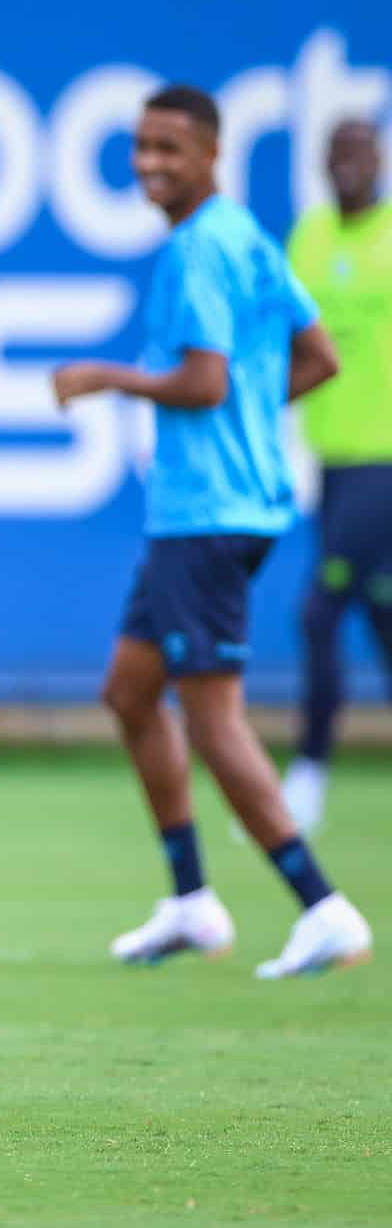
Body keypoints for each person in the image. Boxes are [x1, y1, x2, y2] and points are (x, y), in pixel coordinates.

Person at [51, 84, 369, 978]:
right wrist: (250, 428)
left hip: (209, 515)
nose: (151, 163)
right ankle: (191, 899)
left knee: (214, 716)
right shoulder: (247, 235)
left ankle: (323, 906)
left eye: (170, 148)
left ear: (212, 154)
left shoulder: (199, 251)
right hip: (219, 507)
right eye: (141, 147)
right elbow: (319, 356)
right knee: (129, 690)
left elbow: (205, 382)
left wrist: (106, 377)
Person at [280, 119, 392, 834]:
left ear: (378, 160)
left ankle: (310, 773)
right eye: (334, 151)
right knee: (380, 611)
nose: (345, 164)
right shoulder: (310, 237)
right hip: (331, 459)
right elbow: (285, 338)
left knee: (319, 610)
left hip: (386, 459)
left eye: (357, 152)